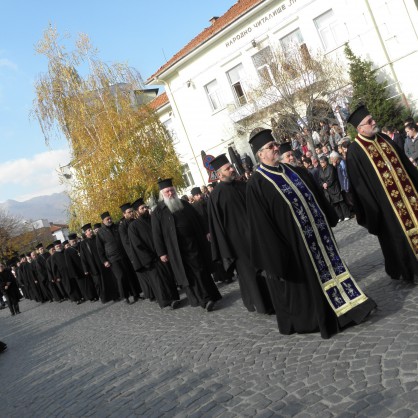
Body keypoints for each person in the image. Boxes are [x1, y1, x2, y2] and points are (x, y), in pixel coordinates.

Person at [246, 129, 376, 339]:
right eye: (270, 147)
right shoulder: (256, 184)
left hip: (319, 236)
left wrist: (327, 218)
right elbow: (261, 226)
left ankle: (348, 305)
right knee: (313, 285)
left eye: (275, 144)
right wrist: (278, 255)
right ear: (260, 154)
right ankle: (325, 316)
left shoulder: (291, 171)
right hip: (295, 245)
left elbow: (314, 195)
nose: (276, 148)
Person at [346, 104, 418, 282]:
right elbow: (360, 187)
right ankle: (410, 269)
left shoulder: (385, 139)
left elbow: (405, 164)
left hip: (410, 197)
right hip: (388, 207)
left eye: (372, 119)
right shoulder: (355, 151)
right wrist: (374, 212)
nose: (374, 122)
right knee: (399, 238)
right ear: (360, 128)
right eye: (370, 121)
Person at [207, 153, 274, 314]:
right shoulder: (215, 196)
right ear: (219, 174)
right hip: (237, 244)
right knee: (250, 276)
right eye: (227, 168)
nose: (232, 169)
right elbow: (217, 226)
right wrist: (226, 250)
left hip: (256, 236)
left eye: (231, 166)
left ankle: (272, 299)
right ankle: (262, 305)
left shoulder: (243, 186)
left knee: (265, 268)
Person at [151, 178, 222, 312]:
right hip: (176, 250)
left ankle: (211, 296)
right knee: (189, 275)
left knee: (201, 270)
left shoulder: (184, 204)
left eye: (172, 190)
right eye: (167, 192)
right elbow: (156, 234)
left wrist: (206, 231)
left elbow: (198, 218)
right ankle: (204, 300)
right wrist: (161, 252)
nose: (170, 193)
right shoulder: (158, 212)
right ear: (162, 194)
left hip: (193, 244)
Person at [128, 197, 180, 309]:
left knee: (168, 276)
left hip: (161, 253)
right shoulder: (133, 226)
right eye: (142, 208)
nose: (145, 209)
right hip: (150, 259)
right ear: (137, 211)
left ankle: (174, 297)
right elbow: (137, 245)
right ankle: (168, 301)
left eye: (146, 207)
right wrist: (149, 257)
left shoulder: (153, 219)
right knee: (159, 281)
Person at [96, 211, 140, 304]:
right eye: (107, 219)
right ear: (103, 221)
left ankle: (136, 294)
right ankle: (125, 297)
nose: (109, 220)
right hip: (112, 259)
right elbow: (99, 249)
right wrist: (104, 261)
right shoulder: (100, 232)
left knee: (129, 274)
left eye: (110, 218)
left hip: (123, 255)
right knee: (120, 277)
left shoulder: (117, 226)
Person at [79, 223, 119, 303]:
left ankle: (115, 296)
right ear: (85, 233)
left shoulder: (97, 237)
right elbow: (83, 258)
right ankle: (104, 298)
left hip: (103, 262)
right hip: (94, 266)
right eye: (89, 230)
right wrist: (85, 269)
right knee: (99, 283)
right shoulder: (83, 243)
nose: (91, 231)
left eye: (91, 229)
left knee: (109, 280)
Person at [66, 233, 98, 302]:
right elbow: (69, 264)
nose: (74, 242)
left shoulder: (81, 245)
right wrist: (74, 274)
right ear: (69, 242)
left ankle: (95, 295)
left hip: (86, 267)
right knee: (84, 286)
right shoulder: (67, 251)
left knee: (91, 283)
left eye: (75, 241)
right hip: (78, 271)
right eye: (73, 242)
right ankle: (90, 298)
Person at [318, 156, 351, 222]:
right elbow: (320, 179)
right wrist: (323, 184)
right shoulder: (321, 170)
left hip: (334, 187)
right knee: (334, 204)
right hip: (327, 190)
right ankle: (340, 216)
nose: (321, 164)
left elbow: (332, 177)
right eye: (320, 162)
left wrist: (327, 183)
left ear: (326, 162)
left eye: (322, 162)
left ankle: (347, 215)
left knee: (340, 201)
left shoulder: (330, 167)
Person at [51, 240, 84, 304]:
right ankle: (75, 299)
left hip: (71, 270)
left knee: (75, 283)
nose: (59, 247)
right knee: (69, 286)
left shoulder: (66, 251)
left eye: (60, 246)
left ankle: (81, 296)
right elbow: (54, 268)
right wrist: (57, 276)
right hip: (63, 274)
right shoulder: (54, 256)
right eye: (57, 246)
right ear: (55, 248)